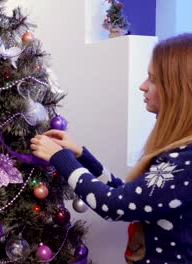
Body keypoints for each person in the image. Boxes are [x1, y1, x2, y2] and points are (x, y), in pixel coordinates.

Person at [30, 33, 192, 263]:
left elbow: (115, 205)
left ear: (178, 90)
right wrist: (83, 156)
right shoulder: (181, 153)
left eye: (153, 79)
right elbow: (132, 197)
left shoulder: (187, 161)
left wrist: (60, 158)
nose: (142, 86)